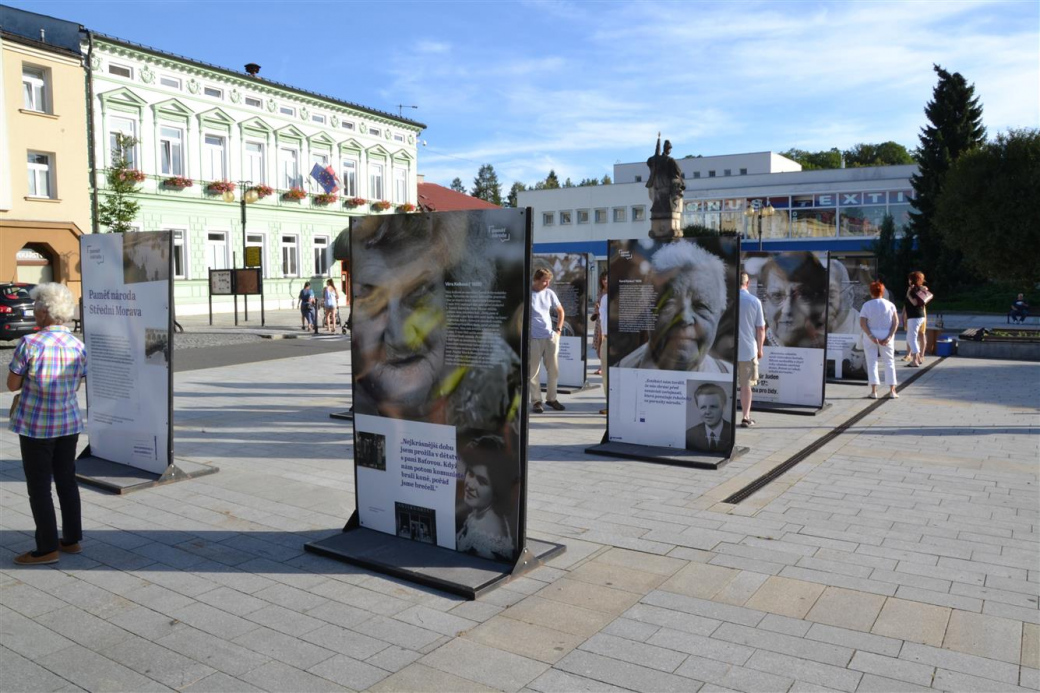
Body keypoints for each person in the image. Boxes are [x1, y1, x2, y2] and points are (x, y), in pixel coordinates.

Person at [351, 213, 520, 432]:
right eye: (369, 298)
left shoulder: (500, 394)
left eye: (419, 293)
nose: (400, 337)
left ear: (457, 296)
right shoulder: (363, 416)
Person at [7, 283, 87, 565]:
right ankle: (72, 540)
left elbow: (12, 384)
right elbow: (77, 382)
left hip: (36, 426)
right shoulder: (78, 345)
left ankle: (46, 548)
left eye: (35, 307)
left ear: (44, 310)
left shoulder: (30, 343)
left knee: (39, 486)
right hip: (68, 423)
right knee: (67, 481)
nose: (33, 312)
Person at [618, 242, 731, 373]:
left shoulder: (728, 375)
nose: (684, 317)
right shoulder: (621, 371)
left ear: (720, 315)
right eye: (669, 303)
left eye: (701, 306)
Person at [455, 435, 515, 562]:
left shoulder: (489, 541)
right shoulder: (478, 514)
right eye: (470, 473)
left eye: (481, 481)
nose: (470, 484)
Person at [759, 252, 828, 349]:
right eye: (777, 296)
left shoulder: (827, 349)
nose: (787, 310)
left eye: (803, 295)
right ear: (765, 303)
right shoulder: (752, 347)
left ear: (820, 302)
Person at [529, 268, 565, 413]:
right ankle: (536, 401)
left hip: (550, 336)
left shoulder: (550, 293)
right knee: (533, 371)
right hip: (533, 338)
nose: (547, 284)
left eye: (548, 281)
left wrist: (558, 331)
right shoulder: (528, 293)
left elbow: (561, 311)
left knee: (553, 369)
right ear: (536, 280)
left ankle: (552, 398)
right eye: (544, 281)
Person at [859, 280, 899, 399]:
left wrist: (871, 336)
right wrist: (890, 336)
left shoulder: (866, 305)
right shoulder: (890, 305)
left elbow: (862, 323)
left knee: (872, 362)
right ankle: (892, 390)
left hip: (871, 335)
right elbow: (896, 322)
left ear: (871, 292)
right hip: (886, 334)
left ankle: (874, 391)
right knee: (889, 362)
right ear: (882, 291)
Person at [736, 272, 766, 428]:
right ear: (747, 284)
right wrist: (760, 349)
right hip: (747, 349)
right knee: (746, 385)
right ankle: (746, 417)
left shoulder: (729, 301)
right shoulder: (755, 301)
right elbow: (761, 328)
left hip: (727, 350)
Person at [685, 382, 732, 452]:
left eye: (713, 407)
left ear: (723, 407)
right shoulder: (690, 435)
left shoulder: (731, 432)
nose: (707, 412)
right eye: (703, 407)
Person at [903, 271, 930, 368]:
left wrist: (909, 294)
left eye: (909, 279)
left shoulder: (913, 290)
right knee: (910, 337)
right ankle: (917, 358)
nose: (908, 280)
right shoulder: (918, 289)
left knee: (912, 338)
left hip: (915, 316)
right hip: (917, 316)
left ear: (912, 280)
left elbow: (914, 303)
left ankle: (915, 360)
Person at [598, 279, 609, 415]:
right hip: (606, 339)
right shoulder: (605, 298)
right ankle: (609, 404)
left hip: (620, 340)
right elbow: (602, 321)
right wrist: (601, 340)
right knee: (606, 375)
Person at [593, 273, 607, 376]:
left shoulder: (613, 291)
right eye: (603, 279)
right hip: (599, 321)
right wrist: (597, 308)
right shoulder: (600, 292)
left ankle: (603, 366)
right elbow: (597, 305)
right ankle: (601, 365)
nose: (605, 281)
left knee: (605, 343)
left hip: (607, 321)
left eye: (607, 279)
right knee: (599, 344)